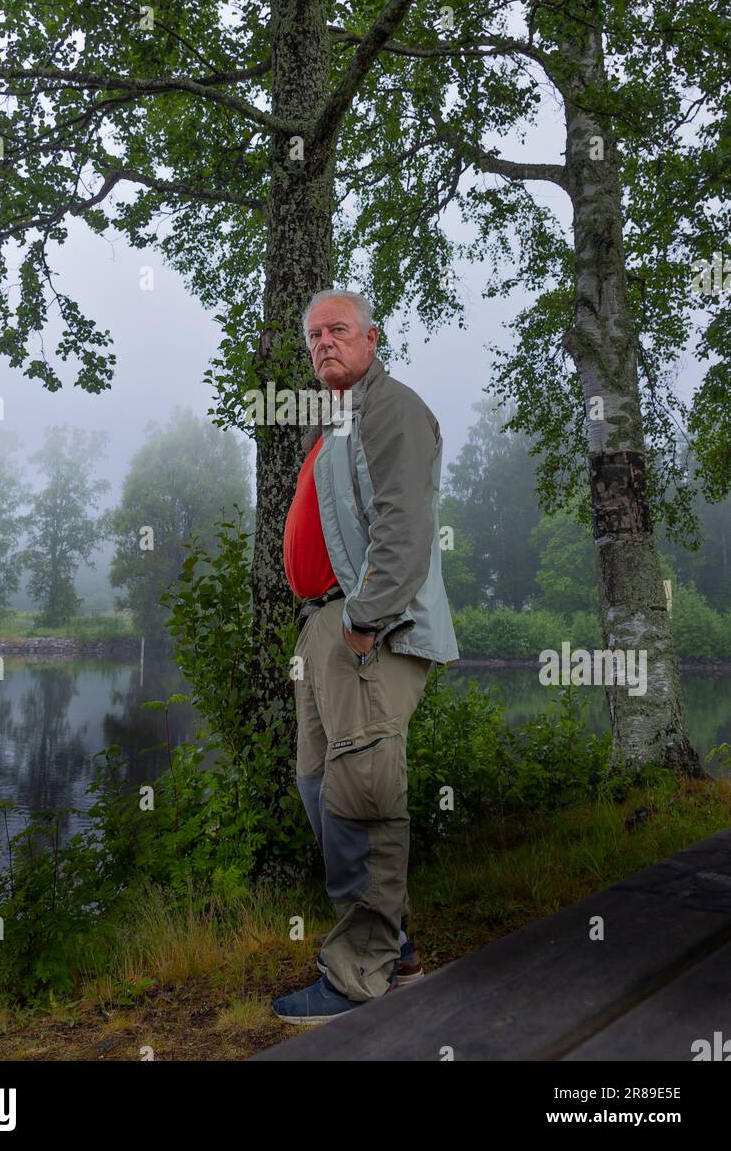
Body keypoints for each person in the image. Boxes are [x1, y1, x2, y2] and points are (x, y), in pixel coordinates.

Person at [272, 289, 459, 1025]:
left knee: (364, 794)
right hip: (324, 632)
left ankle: (360, 979)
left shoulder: (391, 408)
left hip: (367, 635)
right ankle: (395, 946)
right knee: (322, 789)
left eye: (338, 330)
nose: (323, 343)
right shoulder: (338, 422)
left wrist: (362, 623)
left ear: (373, 338)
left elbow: (405, 528)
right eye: (314, 334)